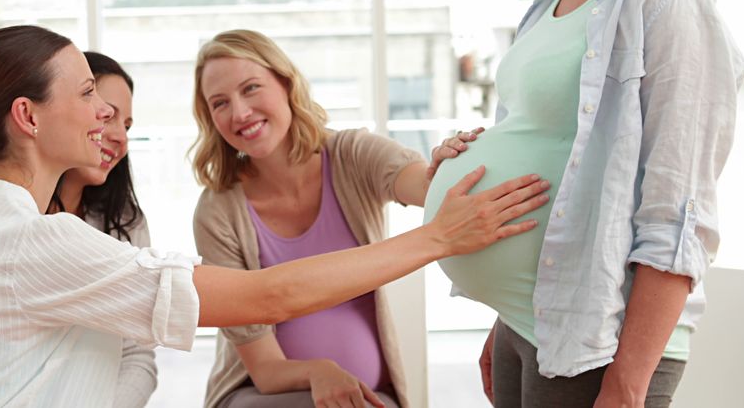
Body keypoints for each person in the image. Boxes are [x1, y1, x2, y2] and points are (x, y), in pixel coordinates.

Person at [0, 25, 551, 407]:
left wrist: (449, 179)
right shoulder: (31, 242)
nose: (102, 116)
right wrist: (437, 238)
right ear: (28, 118)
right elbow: (269, 295)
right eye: (88, 95)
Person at [421, 0, 744, 407]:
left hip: (602, 343)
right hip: (532, 322)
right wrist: (505, 319)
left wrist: (626, 387)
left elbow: (679, 218)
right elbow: (549, 150)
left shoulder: (669, 0)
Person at [190, 29, 527, 408]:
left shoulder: (351, 154)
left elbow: (423, 186)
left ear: (285, 82)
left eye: (250, 88)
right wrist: (319, 371)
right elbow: (266, 372)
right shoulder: (218, 211)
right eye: (219, 103)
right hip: (261, 397)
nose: (239, 112)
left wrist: (446, 166)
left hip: (368, 398)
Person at [45, 51, 156, 408]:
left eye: (127, 126)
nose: (121, 138)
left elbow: (138, 358)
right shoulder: (5, 219)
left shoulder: (126, 222)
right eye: (107, 115)